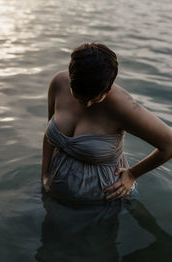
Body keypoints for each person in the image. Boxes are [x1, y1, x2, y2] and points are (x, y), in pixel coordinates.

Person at [41, 42, 172, 205]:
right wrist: (44, 174)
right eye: (80, 96)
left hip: (105, 205)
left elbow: (169, 144)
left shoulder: (122, 106)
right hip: (54, 195)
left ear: (108, 87)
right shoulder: (59, 83)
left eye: (94, 98)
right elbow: (49, 135)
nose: (87, 104)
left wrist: (132, 174)